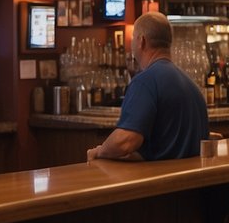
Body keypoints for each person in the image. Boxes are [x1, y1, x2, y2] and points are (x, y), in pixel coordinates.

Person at [88, 12, 208, 162]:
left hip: (162, 183)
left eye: (133, 38)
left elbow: (126, 141)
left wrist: (100, 151)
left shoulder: (145, 82)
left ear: (141, 41)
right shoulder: (192, 86)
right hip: (193, 181)